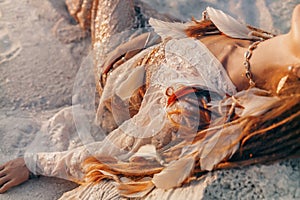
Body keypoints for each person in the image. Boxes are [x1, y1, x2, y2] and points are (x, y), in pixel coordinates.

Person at [0, 0, 299, 198]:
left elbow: (113, 153)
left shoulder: (194, 105)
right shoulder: (264, 44)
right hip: (165, 34)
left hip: (118, 64)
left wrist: (32, 163)